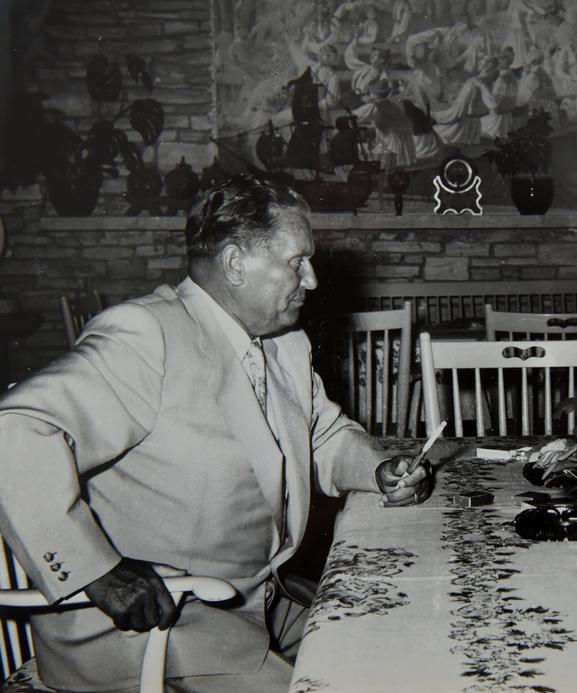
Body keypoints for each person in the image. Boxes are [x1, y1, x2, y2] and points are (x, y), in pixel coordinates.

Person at [0, 173, 432, 692]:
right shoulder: (147, 334)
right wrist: (96, 571)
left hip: (255, 609)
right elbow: (15, 430)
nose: (313, 279)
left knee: (403, 644)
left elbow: (322, 434)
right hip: (156, 634)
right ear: (234, 264)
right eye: (297, 261)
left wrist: (378, 469)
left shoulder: (281, 341)